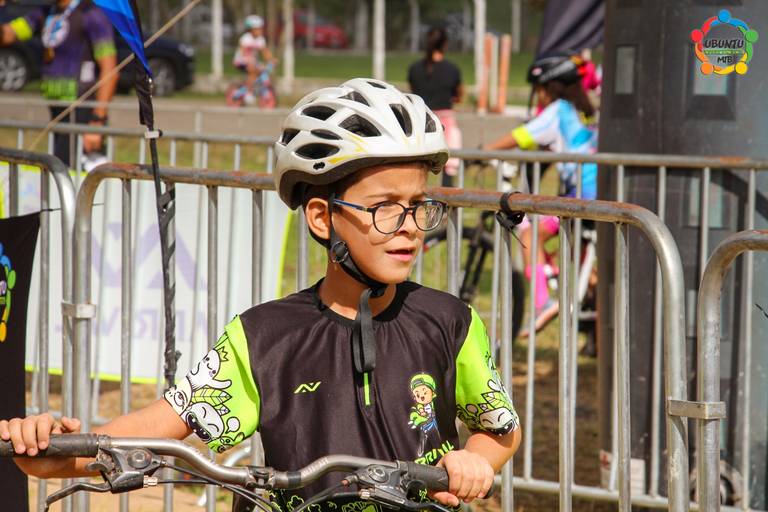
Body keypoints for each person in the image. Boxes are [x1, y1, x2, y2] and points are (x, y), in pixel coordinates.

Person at [0, 79, 521, 511]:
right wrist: (52, 452)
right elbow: (154, 428)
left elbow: (500, 428)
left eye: (418, 205)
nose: (409, 226)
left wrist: (474, 460)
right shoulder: (265, 337)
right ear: (322, 218)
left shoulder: (450, 321)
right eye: (385, 206)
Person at [483, 54, 598, 333]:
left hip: (582, 196)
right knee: (583, 262)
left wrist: (484, 151)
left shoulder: (559, 110)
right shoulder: (582, 110)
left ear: (549, 88)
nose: (539, 98)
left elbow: (523, 135)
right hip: (596, 192)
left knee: (531, 236)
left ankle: (543, 304)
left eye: (539, 91)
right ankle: (589, 316)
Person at [0, 0, 117, 168]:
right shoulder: (46, 12)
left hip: (82, 110)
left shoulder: (91, 14)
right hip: (56, 108)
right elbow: (8, 35)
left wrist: (97, 122)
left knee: (71, 172)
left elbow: (110, 70)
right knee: (58, 169)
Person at [408, 26, 463, 185]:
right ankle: (447, 195)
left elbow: (413, 92)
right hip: (445, 123)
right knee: (448, 166)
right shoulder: (452, 69)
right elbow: (458, 95)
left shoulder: (415, 69)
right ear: (445, 44)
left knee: (417, 165)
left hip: (420, 120)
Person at [232, 14, 275, 105]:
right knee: (252, 70)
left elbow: (265, 52)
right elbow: (243, 52)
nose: (260, 31)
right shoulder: (246, 38)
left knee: (264, 72)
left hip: (253, 61)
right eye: (257, 29)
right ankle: (249, 92)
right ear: (251, 30)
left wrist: (271, 59)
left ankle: (256, 90)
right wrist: (248, 60)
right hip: (241, 61)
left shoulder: (261, 39)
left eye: (260, 28)